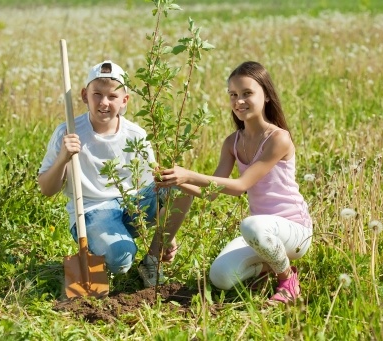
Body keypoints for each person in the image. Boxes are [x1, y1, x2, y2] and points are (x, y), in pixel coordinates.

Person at [155, 61, 313, 304]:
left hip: (294, 232)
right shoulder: (232, 143)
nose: (239, 101)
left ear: (267, 96)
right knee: (221, 277)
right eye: (233, 95)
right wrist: (175, 181)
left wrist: (189, 174)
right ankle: (268, 267)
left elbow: (240, 186)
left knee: (251, 226)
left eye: (247, 93)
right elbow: (211, 194)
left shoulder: (278, 138)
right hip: (261, 233)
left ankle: (287, 279)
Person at [38, 60, 191, 288]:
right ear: (84, 95)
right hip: (91, 210)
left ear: (124, 100)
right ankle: (113, 248)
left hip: (132, 203)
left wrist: (167, 236)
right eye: (97, 94)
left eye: (112, 96)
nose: (104, 102)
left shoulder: (136, 134)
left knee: (179, 185)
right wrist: (63, 157)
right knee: (121, 260)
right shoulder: (68, 132)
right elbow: (46, 189)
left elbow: (157, 186)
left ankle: (151, 261)